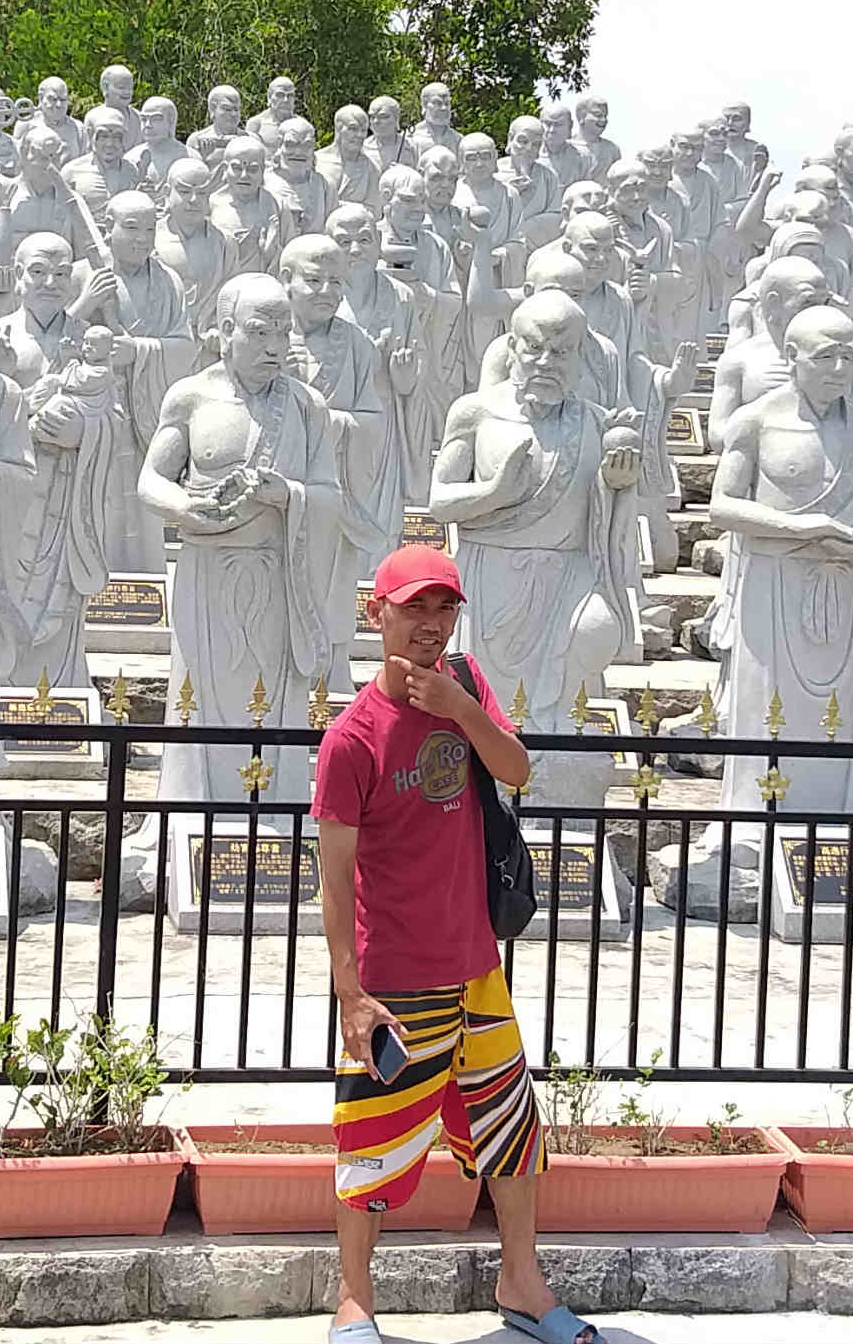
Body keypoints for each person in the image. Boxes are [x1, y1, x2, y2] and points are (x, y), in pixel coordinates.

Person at [319, 544, 584, 1344]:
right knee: (371, 1139)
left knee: (511, 1131)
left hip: (477, 966)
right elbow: (334, 877)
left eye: (443, 610)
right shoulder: (352, 739)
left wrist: (460, 710)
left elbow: (519, 769)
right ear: (380, 614)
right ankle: (356, 1299)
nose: (430, 626)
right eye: (414, 609)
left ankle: (521, 1281)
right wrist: (350, 993)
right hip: (395, 975)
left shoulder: (467, 689)